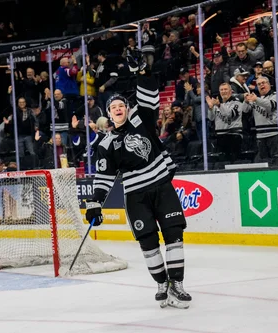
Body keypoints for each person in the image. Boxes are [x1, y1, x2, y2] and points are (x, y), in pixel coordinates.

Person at [84, 47, 191, 309]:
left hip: (161, 187)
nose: (118, 108)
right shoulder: (106, 143)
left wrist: (142, 73)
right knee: (148, 242)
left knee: (174, 235)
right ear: (109, 114)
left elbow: (150, 97)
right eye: (114, 107)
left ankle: (176, 283)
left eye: (121, 105)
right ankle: (161, 283)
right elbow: (104, 176)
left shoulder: (141, 120)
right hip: (136, 196)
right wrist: (95, 203)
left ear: (127, 109)